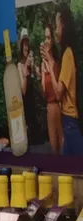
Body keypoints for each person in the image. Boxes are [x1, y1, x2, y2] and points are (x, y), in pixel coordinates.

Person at [47, 6, 81, 155]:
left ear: (63, 26)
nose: (55, 31)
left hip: (70, 121)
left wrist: (49, 64)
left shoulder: (68, 54)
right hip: (68, 120)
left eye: (56, 26)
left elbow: (59, 92)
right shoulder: (70, 52)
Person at [18, 29, 47, 151]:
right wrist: (25, 70)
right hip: (25, 115)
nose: (26, 47)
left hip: (35, 113)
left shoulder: (30, 65)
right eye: (24, 44)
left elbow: (41, 92)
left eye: (27, 44)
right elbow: (23, 91)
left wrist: (37, 73)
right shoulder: (19, 65)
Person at [42, 19, 63, 153]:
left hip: (59, 107)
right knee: (53, 146)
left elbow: (59, 93)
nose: (46, 41)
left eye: (48, 37)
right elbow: (44, 93)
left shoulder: (57, 63)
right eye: (45, 37)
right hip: (50, 108)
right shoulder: (43, 64)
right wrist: (43, 75)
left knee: (62, 144)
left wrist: (50, 65)